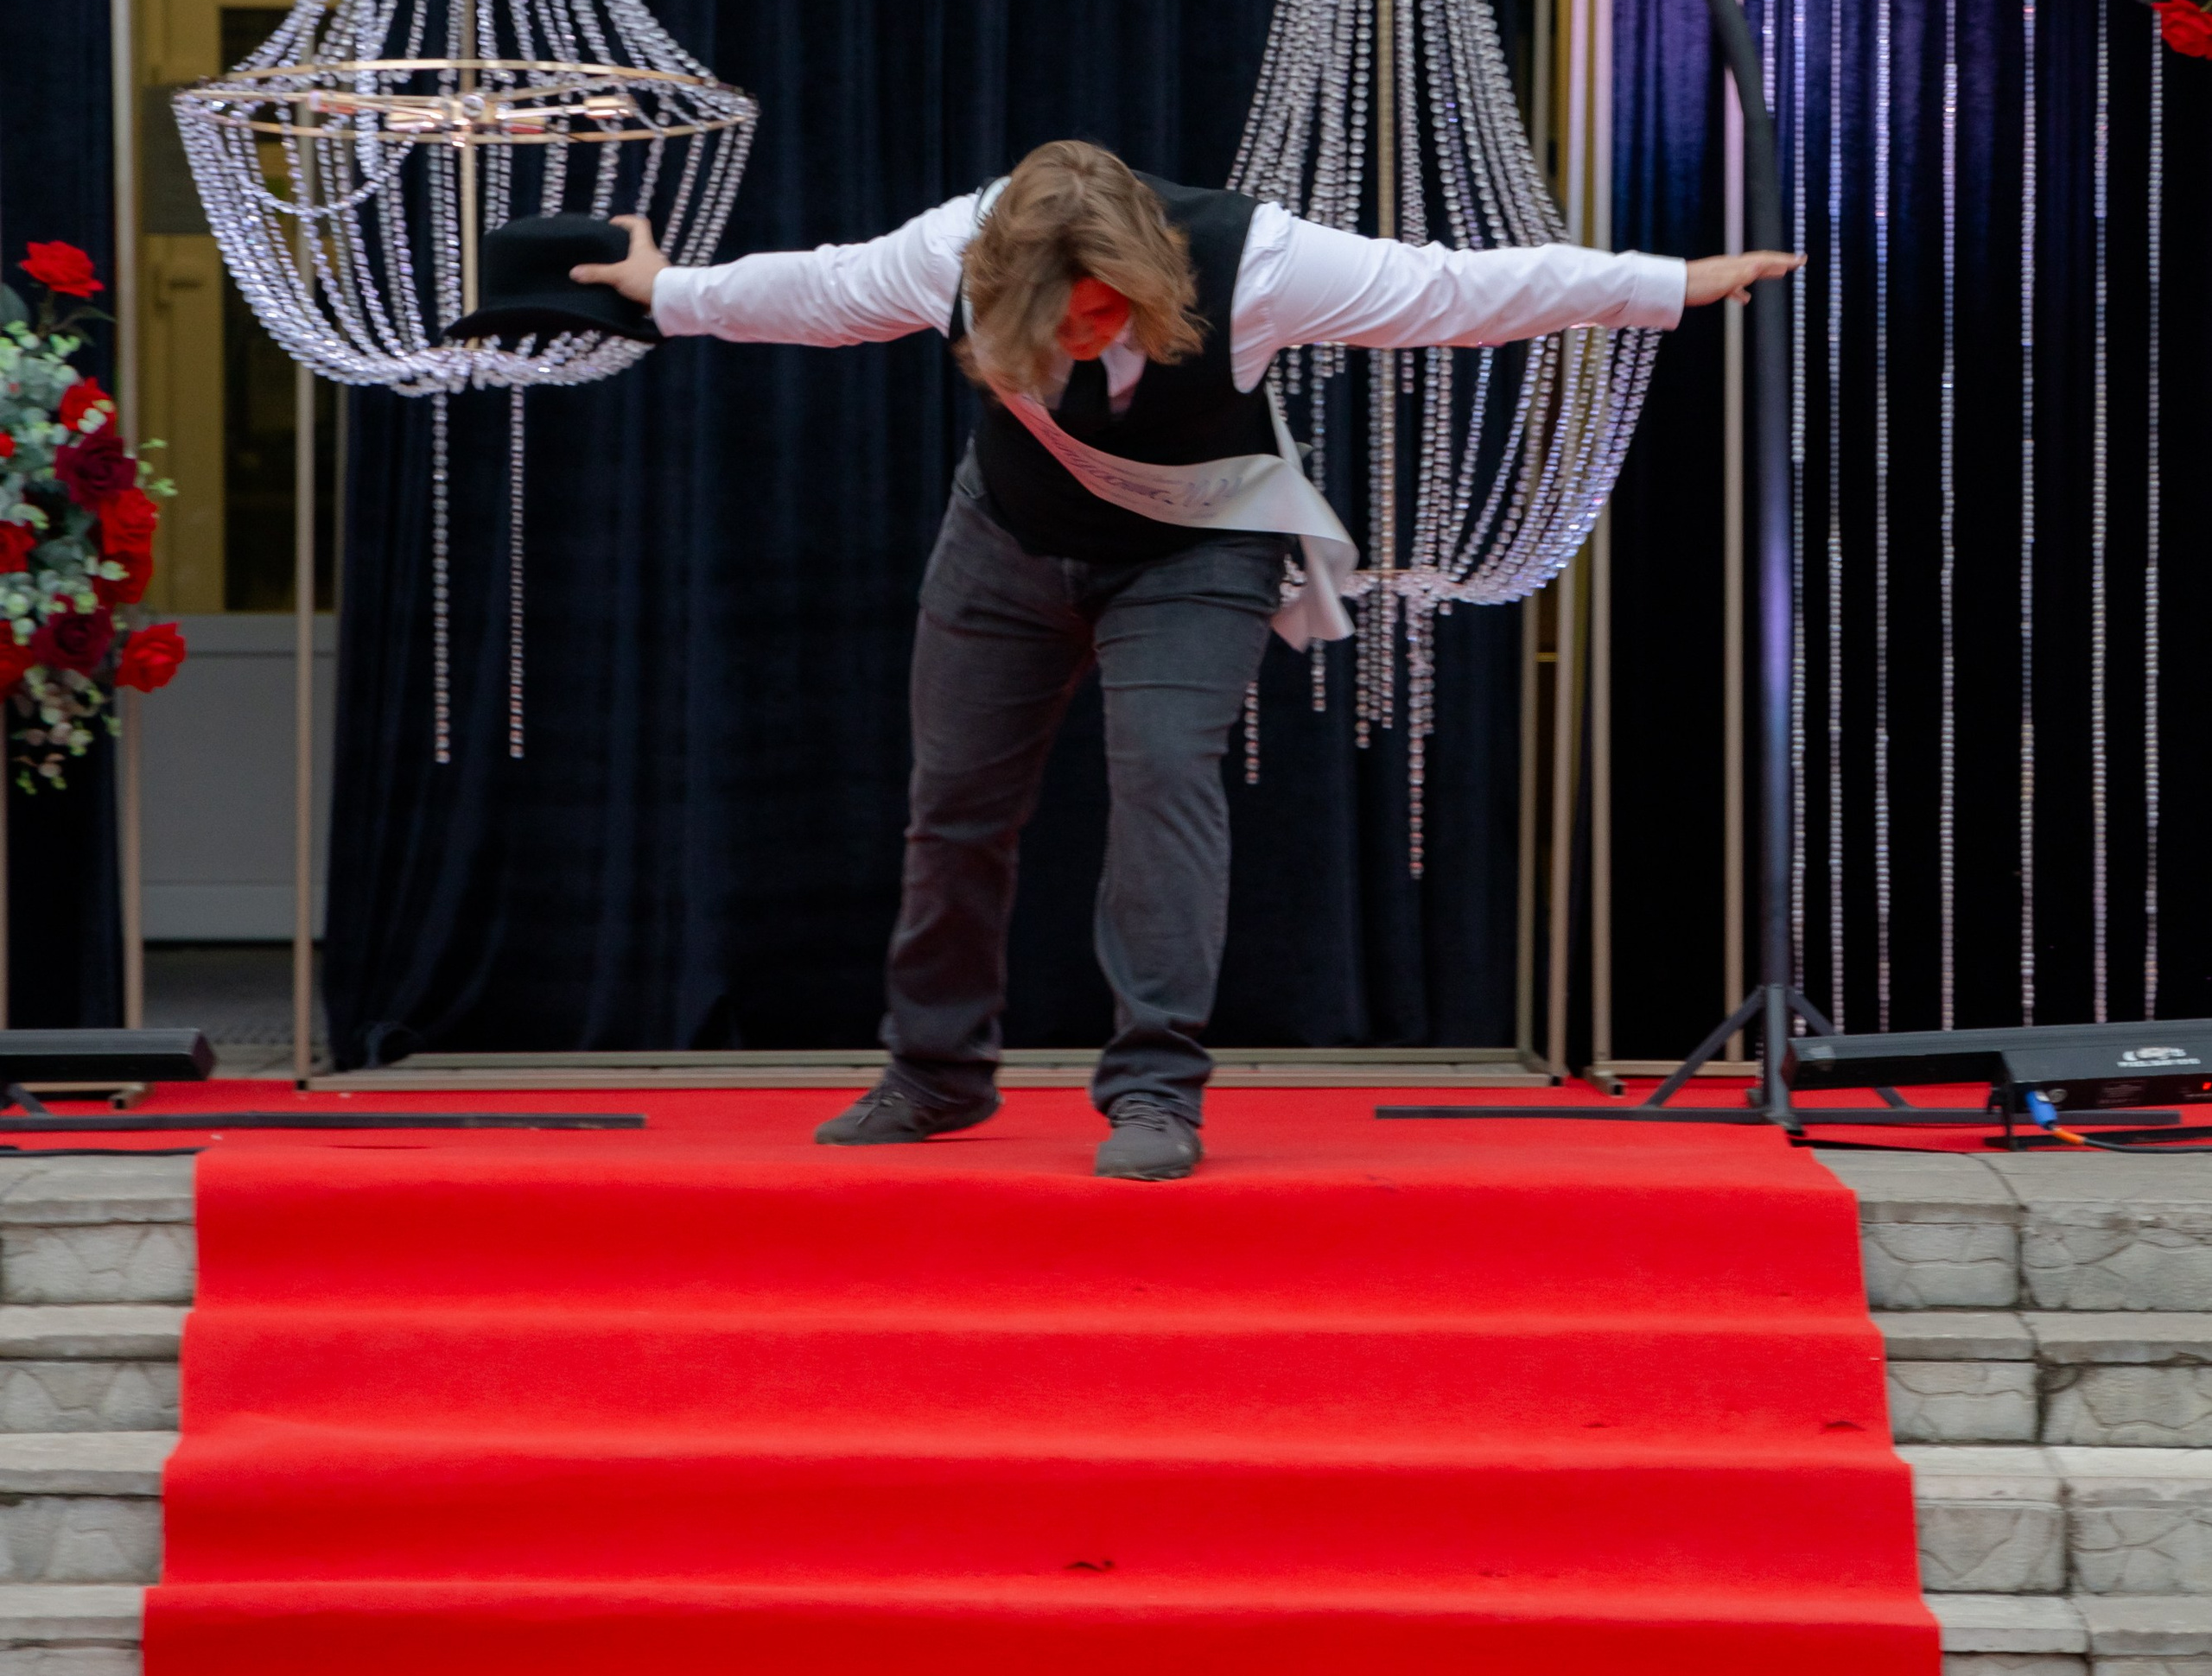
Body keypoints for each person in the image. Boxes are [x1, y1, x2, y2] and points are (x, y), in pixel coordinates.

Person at [576, 143, 1796, 1181]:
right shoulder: (958, 245)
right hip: (1008, 539)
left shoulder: (1256, 257)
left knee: (1163, 778)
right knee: (953, 806)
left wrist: (1670, 283)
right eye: (1057, 321)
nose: (1083, 336)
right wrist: (665, 289)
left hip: (1197, 548)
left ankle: (1156, 1089)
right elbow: (818, 293)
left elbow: (1454, 290)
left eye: (1107, 312)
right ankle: (936, 1074)